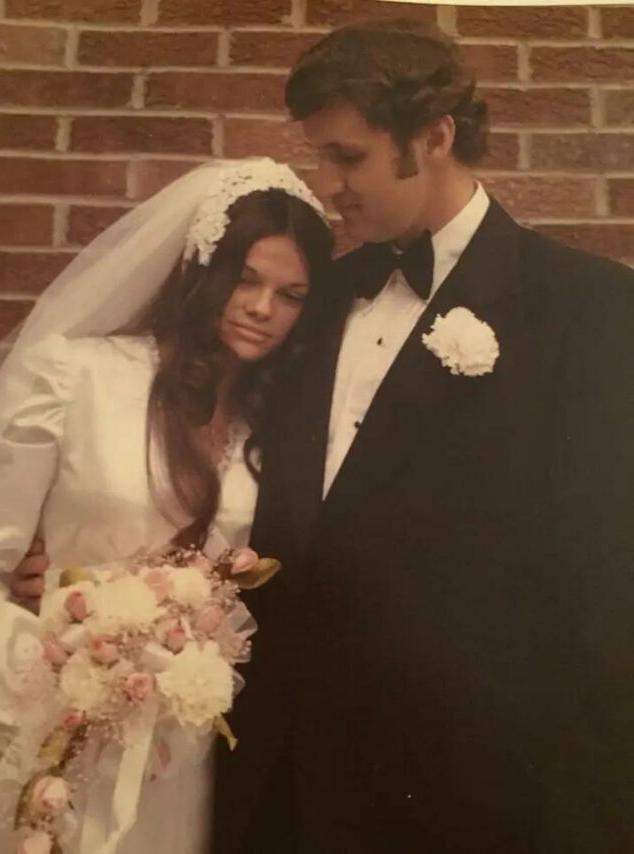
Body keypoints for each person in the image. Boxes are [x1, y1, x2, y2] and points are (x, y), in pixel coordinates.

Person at [210, 21, 634, 853]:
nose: (327, 185)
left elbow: (606, 591)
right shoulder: (314, 297)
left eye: (349, 157)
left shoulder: (591, 312)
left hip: (466, 799)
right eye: (319, 157)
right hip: (278, 783)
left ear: (435, 138)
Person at [0, 157, 333, 853]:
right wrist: (53, 669)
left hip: (182, 751)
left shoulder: (278, 429)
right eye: (245, 279)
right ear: (202, 269)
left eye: (290, 294)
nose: (262, 308)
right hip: (44, 711)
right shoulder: (76, 376)